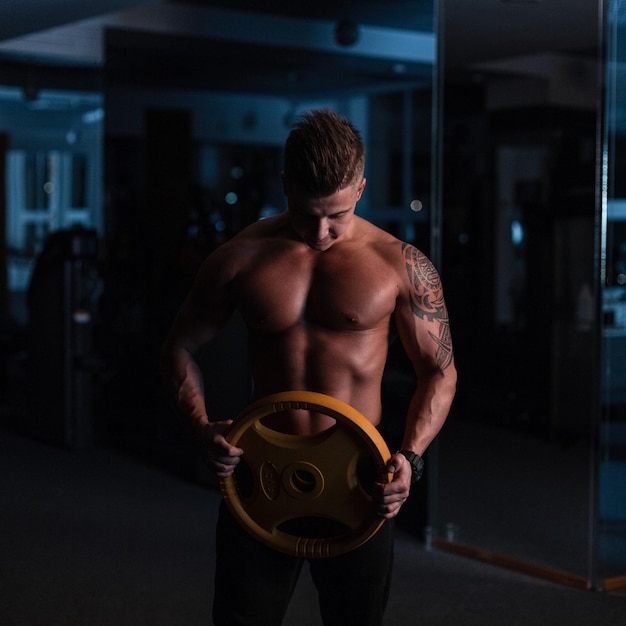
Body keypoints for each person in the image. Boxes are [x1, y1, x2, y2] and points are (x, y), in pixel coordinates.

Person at [160, 109, 457, 626]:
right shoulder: (239, 257)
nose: (320, 230)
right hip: (261, 470)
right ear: (284, 186)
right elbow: (180, 346)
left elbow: (440, 370)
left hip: (360, 477)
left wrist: (411, 457)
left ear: (361, 188)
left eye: (336, 215)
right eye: (305, 212)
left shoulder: (401, 265)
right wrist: (198, 426)